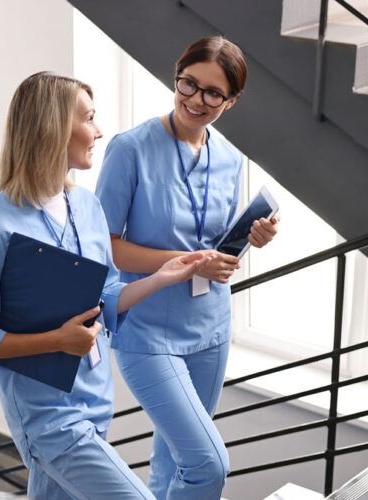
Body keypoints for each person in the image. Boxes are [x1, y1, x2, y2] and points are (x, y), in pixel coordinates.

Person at [0, 71, 210, 500]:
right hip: (47, 419)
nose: (99, 131)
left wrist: (160, 278)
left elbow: (104, 298)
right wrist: (57, 340)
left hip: (95, 402)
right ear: (53, 128)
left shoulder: (87, 207)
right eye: (89, 119)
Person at [94, 36, 280, 500]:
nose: (196, 99)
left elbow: (216, 246)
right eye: (188, 84)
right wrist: (184, 263)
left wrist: (251, 239)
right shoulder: (129, 149)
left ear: (231, 101)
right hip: (146, 329)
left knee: (174, 460)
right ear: (176, 77)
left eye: (213, 93)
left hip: (211, 326)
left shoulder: (232, 161)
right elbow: (105, 247)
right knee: (207, 464)